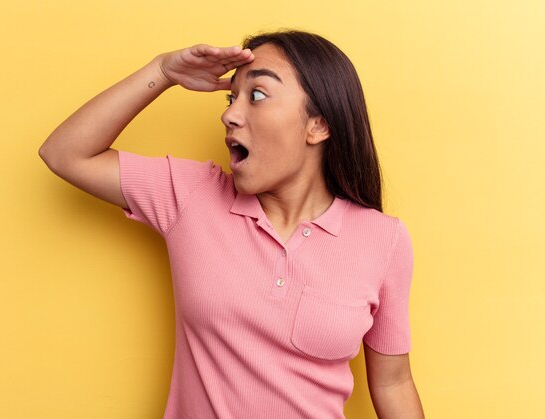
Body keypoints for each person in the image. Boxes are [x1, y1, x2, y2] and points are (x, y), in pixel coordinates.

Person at [39, 30, 425, 419]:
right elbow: (66, 153)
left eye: (256, 95)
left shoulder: (383, 239)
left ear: (318, 126)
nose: (229, 114)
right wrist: (162, 70)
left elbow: (393, 383)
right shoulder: (193, 196)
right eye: (231, 97)